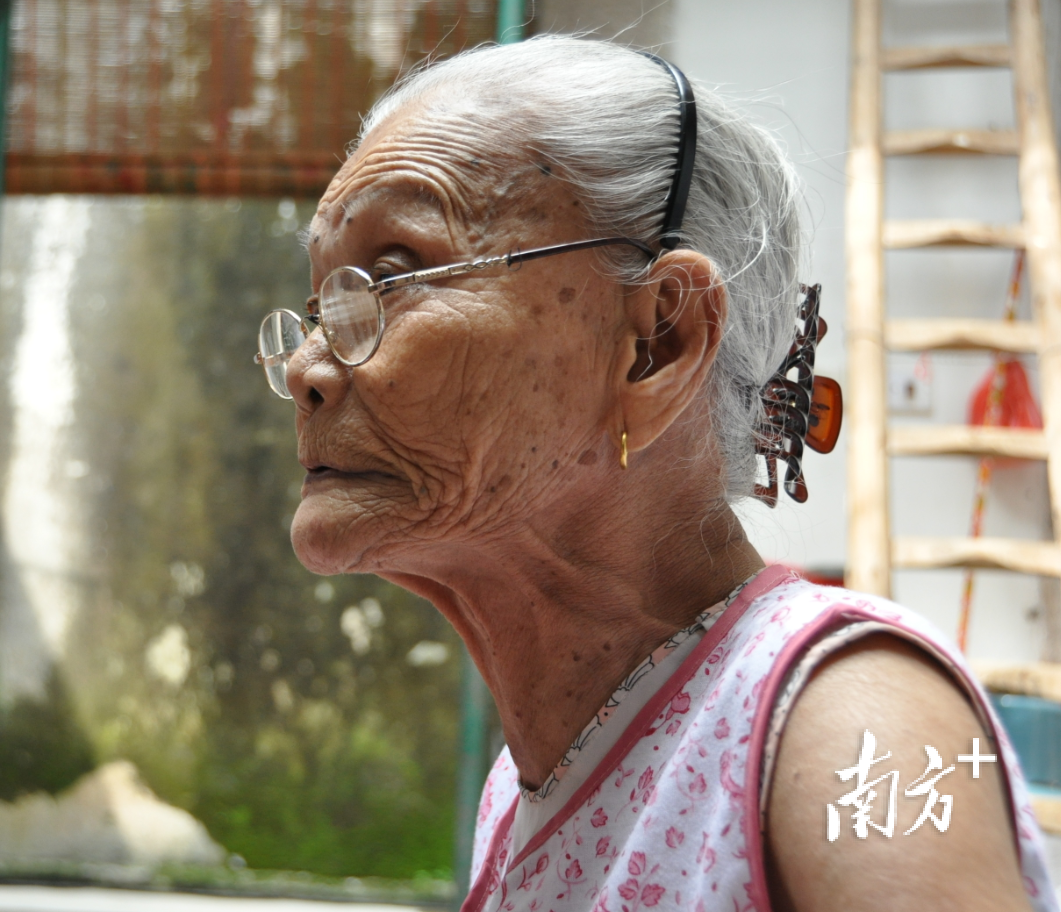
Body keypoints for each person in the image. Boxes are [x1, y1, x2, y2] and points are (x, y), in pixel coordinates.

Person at [253, 36, 1054, 910]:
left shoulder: (852, 723)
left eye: (391, 278)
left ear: (657, 342)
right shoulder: (533, 778)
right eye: (320, 304)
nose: (306, 367)